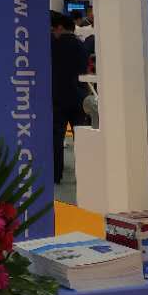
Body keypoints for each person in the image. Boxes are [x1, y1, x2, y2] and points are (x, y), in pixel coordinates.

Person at [50, 11, 87, 184]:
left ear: (59, 27)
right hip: (79, 96)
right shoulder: (81, 45)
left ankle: (55, 174)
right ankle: (85, 175)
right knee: (81, 137)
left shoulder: (52, 45)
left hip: (58, 97)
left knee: (56, 138)